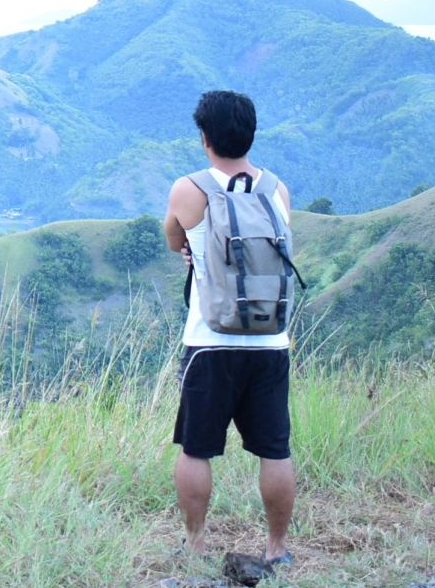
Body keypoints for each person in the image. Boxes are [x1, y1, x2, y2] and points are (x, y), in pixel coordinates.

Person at [163, 89, 295, 567]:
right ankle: (278, 549)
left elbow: (174, 237)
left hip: (209, 341)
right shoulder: (277, 190)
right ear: (251, 134)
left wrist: (190, 248)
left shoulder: (189, 189)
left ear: (204, 138)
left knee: (196, 449)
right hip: (269, 340)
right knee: (275, 450)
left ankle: (196, 546)